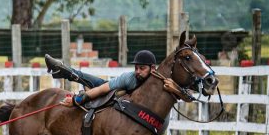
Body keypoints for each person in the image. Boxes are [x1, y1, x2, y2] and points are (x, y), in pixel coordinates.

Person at [44, 50, 176, 107]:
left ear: (152, 68)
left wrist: (175, 89)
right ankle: (60, 68)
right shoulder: (129, 77)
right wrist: (77, 100)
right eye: (136, 68)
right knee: (84, 78)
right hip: (111, 88)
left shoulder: (160, 80)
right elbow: (102, 89)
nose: (137, 72)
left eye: (142, 68)